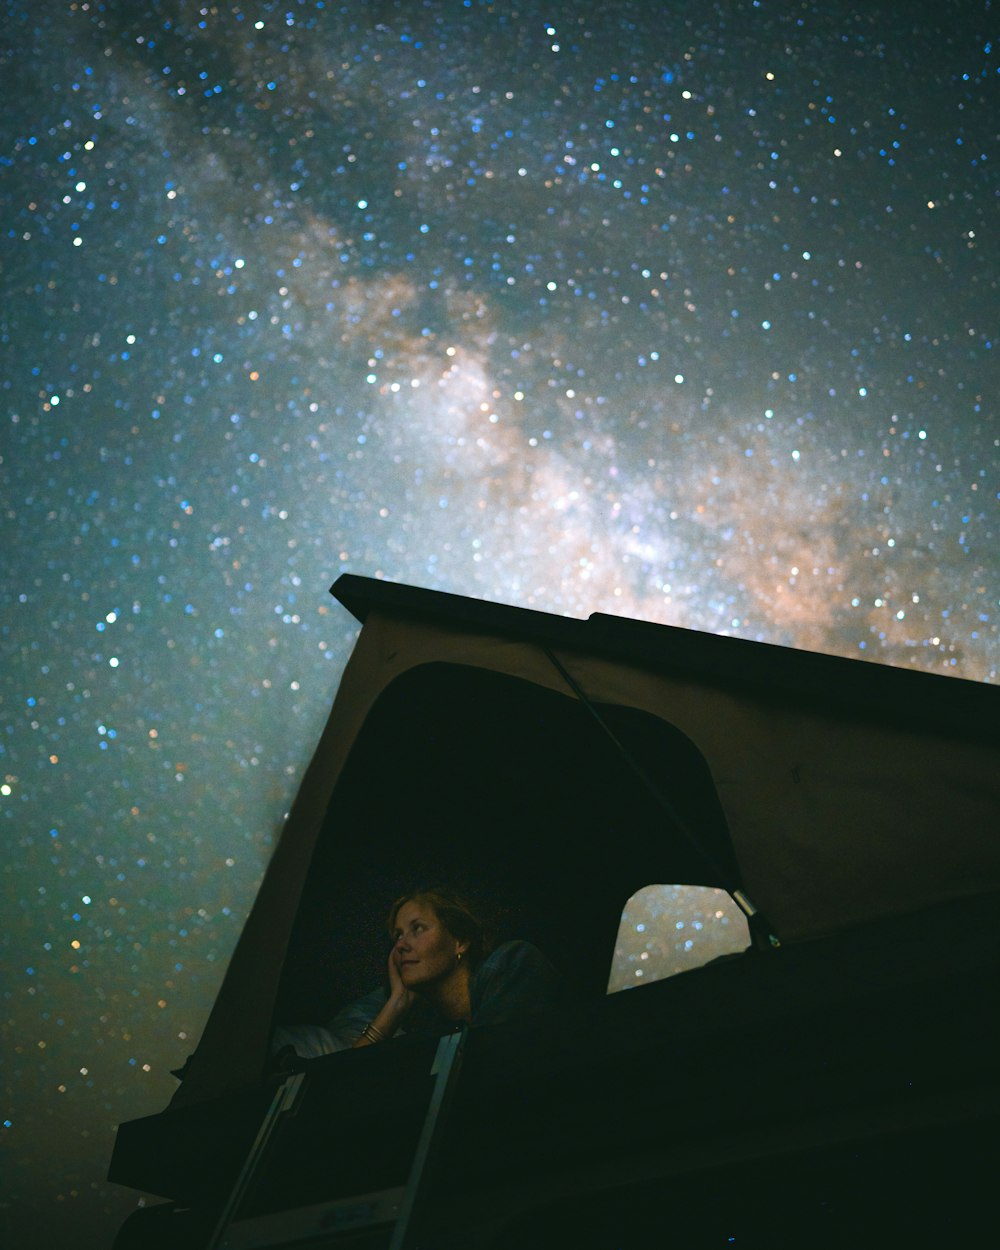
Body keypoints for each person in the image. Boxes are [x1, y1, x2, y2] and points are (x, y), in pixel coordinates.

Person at [271, 887, 565, 1059]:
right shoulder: (418, 1018)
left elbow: (496, 1068)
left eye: (417, 929)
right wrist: (396, 1004)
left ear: (459, 941)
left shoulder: (511, 962)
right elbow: (334, 1084)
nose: (401, 945)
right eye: (397, 935)